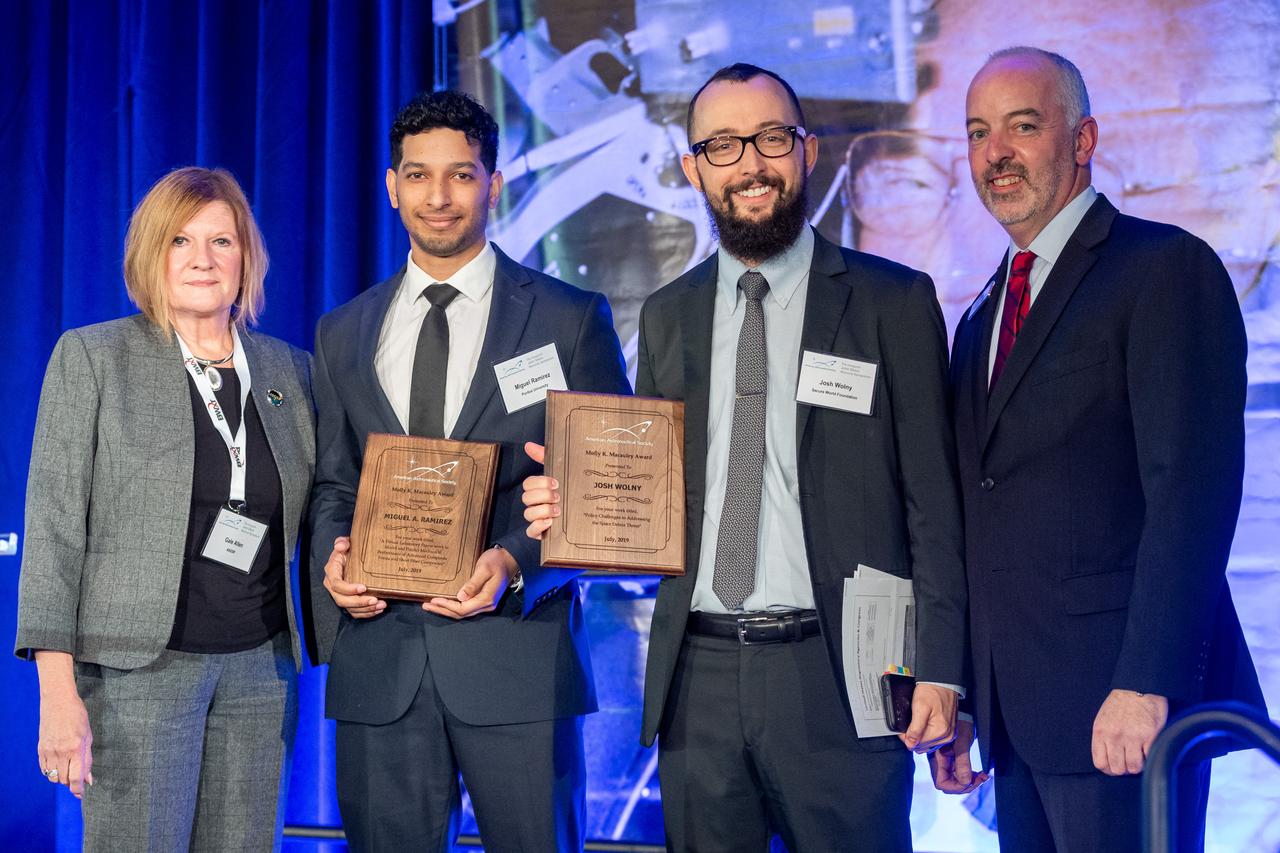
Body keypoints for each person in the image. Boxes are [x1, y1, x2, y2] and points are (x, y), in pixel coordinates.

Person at [523, 63, 968, 851]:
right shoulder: (667, 316)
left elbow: (935, 502)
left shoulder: (892, 301)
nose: (750, 164)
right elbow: (653, 500)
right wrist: (579, 513)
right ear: (693, 168)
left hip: (844, 674)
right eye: (722, 146)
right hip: (700, 679)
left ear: (808, 151)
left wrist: (943, 670)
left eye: (770, 138)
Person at [930, 47, 1267, 852]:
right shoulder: (982, 311)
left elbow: (1190, 491)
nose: (996, 153)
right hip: (1018, 721)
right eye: (979, 132)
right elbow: (986, 505)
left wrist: (1147, 680)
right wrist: (972, 695)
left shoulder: (1162, 270)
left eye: (1022, 125)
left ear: (1083, 140)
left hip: (1123, 712)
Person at [308, 90, 629, 852]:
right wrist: (336, 555)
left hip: (515, 657)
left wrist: (515, 563)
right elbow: (334, 484)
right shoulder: (342, 330)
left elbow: (606, 488)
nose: (439, 197)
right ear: (392, 187)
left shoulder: (567, 316)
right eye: (418, 176)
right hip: (382, 663)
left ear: (494, 181)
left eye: (461, 175)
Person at [14, 166, 315, 851]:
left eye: (222, 241)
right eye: (180, 240)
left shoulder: (288, 372)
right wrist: (58, 696)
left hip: (260, 672)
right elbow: (55, 531)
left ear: (248, 258)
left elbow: (324, 509)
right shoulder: (94, 358)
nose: (202, 259)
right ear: (151, 254)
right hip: (135, 674)